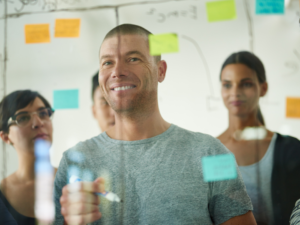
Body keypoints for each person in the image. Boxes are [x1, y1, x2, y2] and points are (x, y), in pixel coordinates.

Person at [54, 24, 256, 225]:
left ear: (161, 71)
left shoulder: (212, 153)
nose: (117, 71)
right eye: (107, 62)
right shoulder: (74, 163)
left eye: (133, 59)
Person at [217, 51, 300, 225]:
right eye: (227, 85)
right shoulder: (210, 149)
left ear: (263, 88)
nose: (235, 92)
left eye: (245, 84)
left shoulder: (290, 149)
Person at [0, 90, 55, 224]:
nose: (38, 123)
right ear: (6, 137)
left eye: (43, 114)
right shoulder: (2, 193)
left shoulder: (73, 181)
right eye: (23, 117)